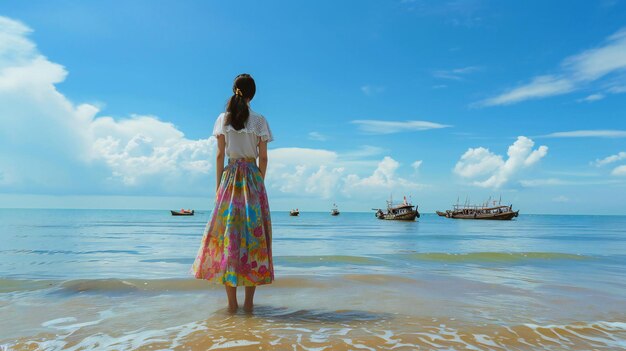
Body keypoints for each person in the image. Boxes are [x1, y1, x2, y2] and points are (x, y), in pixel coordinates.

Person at [190, 73, 274, 313]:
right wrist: (258, 183)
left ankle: (231, 306)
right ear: (252, 94)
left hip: (229, 179)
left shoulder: (222, 119)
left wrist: (218, 187)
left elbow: (219, 155)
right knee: (253, 241)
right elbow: (264, 158)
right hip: (252, 178)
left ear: (234, 90)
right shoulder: (260, 121)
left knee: (229, 239)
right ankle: (249, 305)